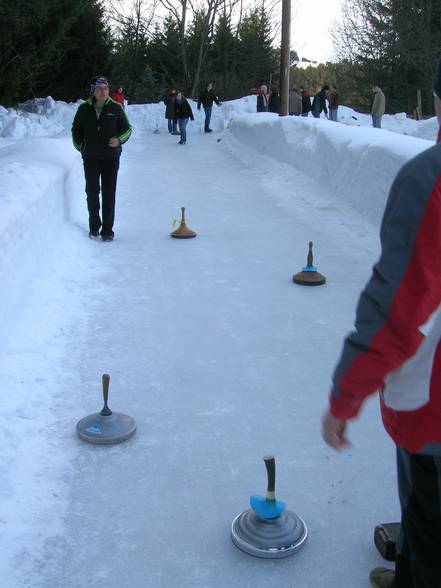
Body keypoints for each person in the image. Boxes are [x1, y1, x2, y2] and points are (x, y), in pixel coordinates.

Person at [322, 60, 441, 588]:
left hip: (433, 416)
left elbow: (398, 309)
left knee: (428, 522)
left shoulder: (430, 182)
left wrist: (346, 397)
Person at [71, 76, 132, 241]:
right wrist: (80, 146)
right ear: (93, 91)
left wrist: (119, 139)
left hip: (111, 158)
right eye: (99, 88)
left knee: (108, 193)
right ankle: (94, 226)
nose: (103, 91)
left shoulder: (116, 108)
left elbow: (127, 129)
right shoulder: (84, 109)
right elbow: (76, 129)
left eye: (105, 88)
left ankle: (107, 231)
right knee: (92, 192)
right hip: (90, 157)